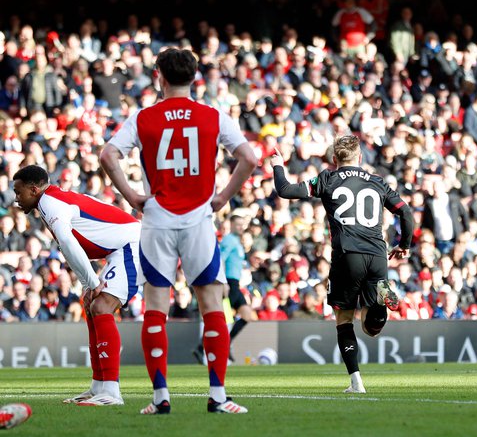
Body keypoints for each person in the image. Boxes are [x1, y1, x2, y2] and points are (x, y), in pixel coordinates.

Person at [100, 47, 257, 415]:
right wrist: (222, 198)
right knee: (212, 304)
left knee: (156, 306)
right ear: (195, 76)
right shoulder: (213, 116)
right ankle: (218, 397)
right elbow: (250, 158)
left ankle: (160, 398)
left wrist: (133, 196)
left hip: (157, 217)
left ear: (160, 76)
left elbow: (108, 155)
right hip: (199, 218)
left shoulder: (143, 117)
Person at [272, 134, 413, 393]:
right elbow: (405, 211)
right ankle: (380, 304)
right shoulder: (377, 181)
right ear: (360, 158)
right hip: (378, 255)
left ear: (334, 159)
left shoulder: (327, 178)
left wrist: (277, 165)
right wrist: (404, 245)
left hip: (347, 255)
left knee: (344, 318)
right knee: (371, 329)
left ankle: (356, 381)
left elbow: (285, 190)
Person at [13, 164, 140, 406]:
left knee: (101, 306)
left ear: (33, 189)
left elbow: (69, 244)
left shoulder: (50, 203)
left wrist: (92, 282)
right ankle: (98, 387)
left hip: (133, 244)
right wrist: (87, 284)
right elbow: (71, 248)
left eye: (19, 192)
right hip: (118, 248)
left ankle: (112, 393)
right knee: (92, 305)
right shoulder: (50, 200)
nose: (16, 198)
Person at [193, 211, 255, 364]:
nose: (241, 227)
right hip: (228, 282)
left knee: (246, 316)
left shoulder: (236, 241)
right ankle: (204, 348)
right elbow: (220, 259)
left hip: (235, 283)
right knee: (218, 317)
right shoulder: (229, 240)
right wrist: (223, 282)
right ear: (231, 224)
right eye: (238, 224)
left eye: (242, 225)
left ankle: (207, 347)